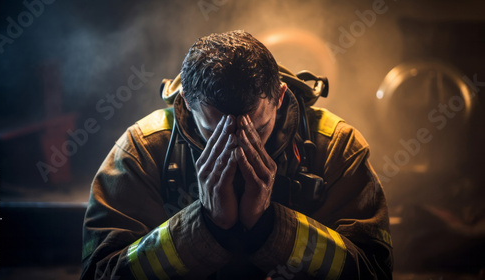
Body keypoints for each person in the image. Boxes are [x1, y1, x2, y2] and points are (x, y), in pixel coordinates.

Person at [81, 30, 393, 279]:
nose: (237, 147)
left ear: (280, 97)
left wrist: (270, 226)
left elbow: (374, 272)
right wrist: (206, 225)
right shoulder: (142, 151)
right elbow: (100, 273)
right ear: (188, 100)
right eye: (215, 132)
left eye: (256, 130)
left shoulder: (337, 147)